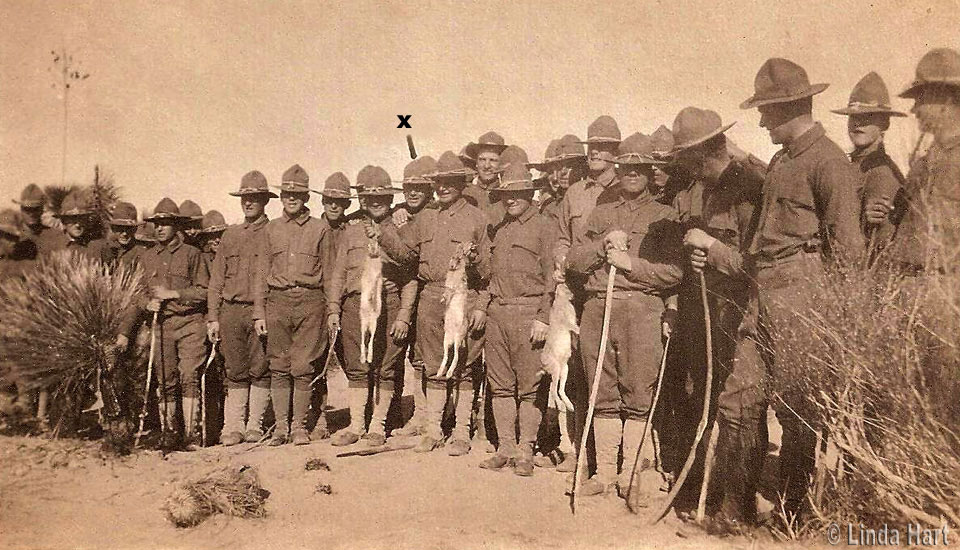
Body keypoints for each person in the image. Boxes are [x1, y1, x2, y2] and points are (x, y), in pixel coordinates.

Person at [739, 57, 863, 519]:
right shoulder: (778, 160)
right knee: (740, 397)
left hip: (802, 292)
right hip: (763, 288)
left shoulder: (829, 162)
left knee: (796, 408)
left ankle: (794, 512)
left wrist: (837, 318)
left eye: (766, 111)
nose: (761, 120)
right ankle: (735, 504)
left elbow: (847, 248)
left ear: (791, 108)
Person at [567, 132, 685, 502]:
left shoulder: (664, 216)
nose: (633, 175)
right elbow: (573, 260)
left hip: (642, 308)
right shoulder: (601, 212)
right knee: (602, 390)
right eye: (627, 169)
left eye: (640, 169)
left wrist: (632, 264)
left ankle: (632, 472)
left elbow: (675, 273)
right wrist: (602, 247)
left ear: (651, 173)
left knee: (638, 392)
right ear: (618, 171)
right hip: (599, 305)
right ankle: (603, 472)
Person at [670, 106, 767, 531]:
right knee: (716, 402)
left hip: (750, 313)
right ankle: (716, 499)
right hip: (717, 312)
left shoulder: (750, 187)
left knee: (743, 407)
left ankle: (736, 506)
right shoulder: (707, 188)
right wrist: (700, 255)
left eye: (690, 160)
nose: (687, 170)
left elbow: (755, 265)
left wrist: (710, 247)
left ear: (709, 152)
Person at [377, 151, 490, 456]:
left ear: (461, 184)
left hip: (463, 298)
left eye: (450, 182)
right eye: (439, 182)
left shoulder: (477, 219)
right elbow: (406, 256)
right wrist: (384, 233)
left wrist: (480, 305)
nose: (443, 188)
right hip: (430, 297)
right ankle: (433, 429)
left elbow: (488, 272)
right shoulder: (425, 217)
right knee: (433, 365)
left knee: (464, 366)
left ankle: (462, 432)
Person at [253, 165, 347, 446]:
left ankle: (299, 427)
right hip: (277, 302)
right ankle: (281, 428)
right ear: (280, 197)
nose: (291, 198)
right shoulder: (271, 230)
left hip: (311, 302)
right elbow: (260, 274)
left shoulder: (320, 229)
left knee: (303, 366)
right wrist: (259, 311)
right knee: (279, 365)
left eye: (297, 194)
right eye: (287, 193)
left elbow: (331, 273)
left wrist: (332, 310)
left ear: (307, 197)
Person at [551, 116, 622, 474]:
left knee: (611, 372)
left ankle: (618, 458)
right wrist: (561, 264)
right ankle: (579, 449)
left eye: (605, 147)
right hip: (577, 293)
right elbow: (563, 236)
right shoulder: (575, 193)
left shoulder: (626, 189)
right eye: (592, 147)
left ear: (616, 154)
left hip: (614, 291)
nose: (596, 153)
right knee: (577, 371)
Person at [326, 166, 416, 447]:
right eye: (369, 198)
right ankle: (357, 424)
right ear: (362, 200)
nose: (375, 203)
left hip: (389, 304)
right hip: (355, 305)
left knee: (386, 367)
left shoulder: (402, 229)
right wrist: (333, 308)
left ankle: (377, 425)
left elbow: (411, 275)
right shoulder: (352, 232)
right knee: (358, 366)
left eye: (382, 198)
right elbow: (339, 273)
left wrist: (403, 315)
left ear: (391, 200)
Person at [478, 163, 554, 476]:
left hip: (529, 312)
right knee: (500, 385)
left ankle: (526, 449)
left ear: (530, 192)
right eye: (505, 195)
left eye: (517, 194)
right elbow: (488, 276)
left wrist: (544, 317)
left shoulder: (545, 226)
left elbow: (553, 278)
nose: (510, 200)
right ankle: (505, 446)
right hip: (498, 312)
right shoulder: (500, 229)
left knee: (530, 387)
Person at [117, 197, 210, 449]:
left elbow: (204, 291)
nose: (159, 228)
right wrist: (147, 303)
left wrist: (175, 294)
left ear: (176, 226)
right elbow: (137, 293)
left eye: (165, 223)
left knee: (189, 375)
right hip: (161, 325)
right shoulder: (147, 257)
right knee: (165, 379)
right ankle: (170, 432)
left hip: (190, 323)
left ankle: (191, 435)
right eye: (156, 224)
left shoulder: (193, 254)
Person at [208, 171, 275, 446]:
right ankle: (232, 425)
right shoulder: (231, 235)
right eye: (245, 198)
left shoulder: (274, 232)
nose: (248, 203)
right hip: (232, 311)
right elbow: (216, 280)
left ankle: (255, 425)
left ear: (264, 201)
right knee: (235, 370)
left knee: (260, 368)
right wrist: (213, 317)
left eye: (254, 198)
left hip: (261, 310)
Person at [888, 47, 960, 275]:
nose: (914, 109)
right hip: (913, 287)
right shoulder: (922, 164)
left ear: (946, 100)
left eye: (922, 98)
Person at [831, 71, 907, 260]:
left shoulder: (881, 173)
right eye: (853, 117)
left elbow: (883, 239)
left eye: (868, 117)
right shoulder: (856, 164)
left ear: (884, 123)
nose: (858, 123)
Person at [390, 155, 438, 437]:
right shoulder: (399, 214)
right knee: (413, 357)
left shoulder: (435, 215)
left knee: (430, 357)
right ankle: (418, 413)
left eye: (420, 186)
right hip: (407, 294)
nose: (413, 192)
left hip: (432, 294)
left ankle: (432, 417)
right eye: (408, 186)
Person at [55, 190, 109, 262]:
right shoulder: (53, 245)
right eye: (73, 219)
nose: (78, 225)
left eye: (82, 219)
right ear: (63, 222)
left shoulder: (97, 247)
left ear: (87, 221)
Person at [463, 131, 508, 211]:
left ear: (501, 165)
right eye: (482, 160)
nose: (487, 166)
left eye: (493, 160)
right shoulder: (464, 193)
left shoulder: (508, 195)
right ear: (476, 163)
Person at [102, 201, 142, 269]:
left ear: (135, 229)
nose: (124, 233)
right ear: (113, 229)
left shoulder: (140, 253)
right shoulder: (105, 250)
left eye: (128, 229)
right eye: (120, 228)